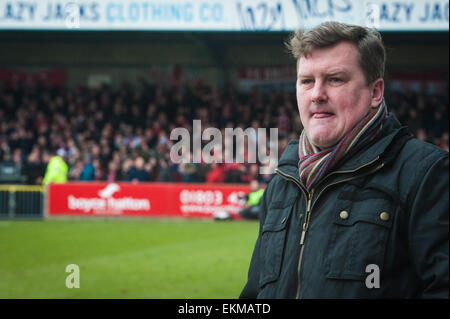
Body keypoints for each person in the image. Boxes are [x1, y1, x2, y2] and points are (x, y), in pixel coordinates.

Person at [240, 21, 449, 299]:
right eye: (306, 81)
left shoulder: (426, 174)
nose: (317, 94)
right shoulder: (283, 182)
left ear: (375, 92)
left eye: (335, 79)